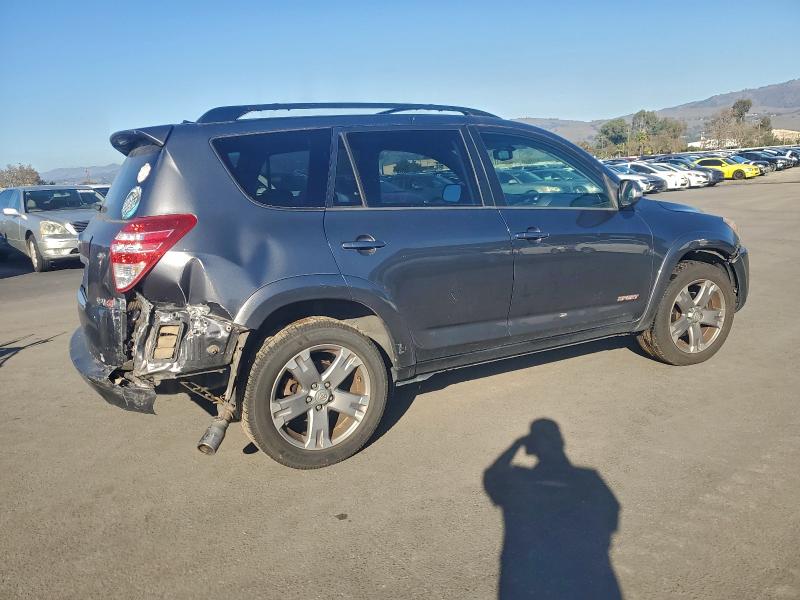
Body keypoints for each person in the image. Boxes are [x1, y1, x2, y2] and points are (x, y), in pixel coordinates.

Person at [484, 419, 622, 599]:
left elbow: (492, 475)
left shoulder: (518, 480)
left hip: (527, 577)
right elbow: (612, 514)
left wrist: (517, 444)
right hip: (577, 575)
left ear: (531, 448)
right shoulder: (588, 478)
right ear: (561, 443)